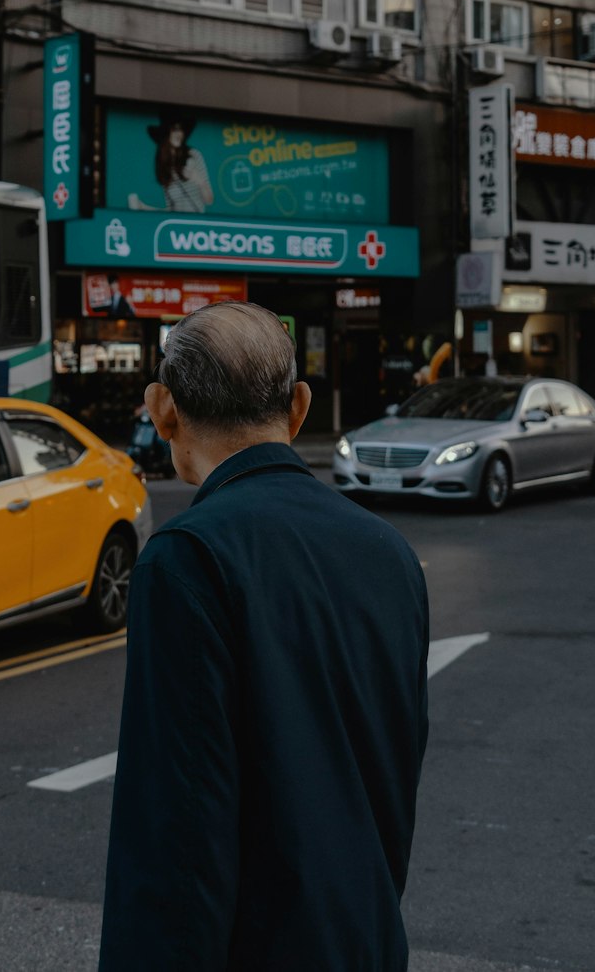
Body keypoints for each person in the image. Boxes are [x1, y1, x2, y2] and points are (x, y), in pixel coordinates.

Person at [98, 301, 430, 972]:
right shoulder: (389, 552)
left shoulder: (188, 560)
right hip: (367, 941)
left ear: (164, 411)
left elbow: (178, 840)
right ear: (299, 407)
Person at [128, 112, 214, 212]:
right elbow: (172, 210)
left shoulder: (194, 155)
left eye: (181, 129)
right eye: (174, 129)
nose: (179, 134)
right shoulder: (165, 166)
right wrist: (144, 207)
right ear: (166, 133)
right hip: (177, 225)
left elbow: (209, 200)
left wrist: (199, 181)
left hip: (195, 224)